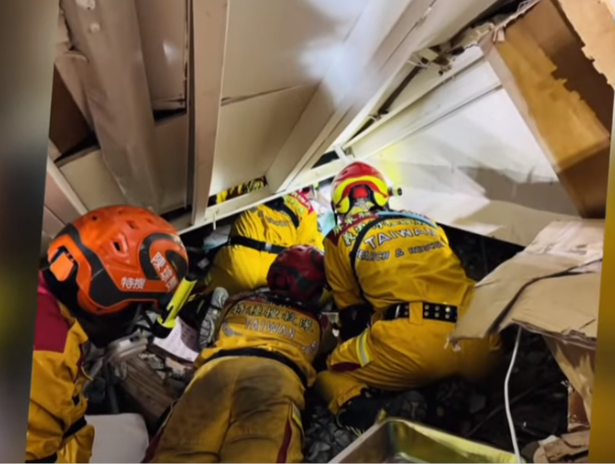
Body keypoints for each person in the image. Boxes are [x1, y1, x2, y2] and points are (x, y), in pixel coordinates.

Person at [315, 161, 502, 433]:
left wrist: (349, 347)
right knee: (436, 358)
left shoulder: (338, 237)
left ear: (340, 204)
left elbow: (352, 314)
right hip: (482, 338)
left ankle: (377, 413)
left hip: (414, 346)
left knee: (330, 372)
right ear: (383, 194)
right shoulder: (426, 221)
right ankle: (449, 394)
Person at [28, 205, 189, 463]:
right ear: (107, 297)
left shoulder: (44, 304)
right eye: (142, 309)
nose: (137, 323)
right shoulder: (48, 354)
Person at [145, 245, 329, 463]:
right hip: (275, 379)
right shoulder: (320, 323)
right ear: (314, 290)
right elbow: (330, 358)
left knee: (175, 454)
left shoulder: (237, 301)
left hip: (213, 372)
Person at [204, 191, 324, 297]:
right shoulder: (306, 206)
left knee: (201, 299)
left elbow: (214, 196)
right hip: (274, 272)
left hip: (239, 260)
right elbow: (313, 253)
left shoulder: (250, 180)